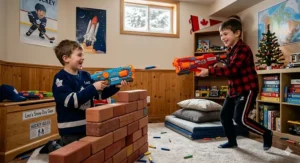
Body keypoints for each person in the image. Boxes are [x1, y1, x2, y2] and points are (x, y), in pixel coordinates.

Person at [39, 39, 128, 154]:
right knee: (73, 155)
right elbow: (71, 101)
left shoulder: (86, 75)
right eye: (79, 55)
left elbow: (100, 94)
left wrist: (116, 86)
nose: (83, 58)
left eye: (83, 55)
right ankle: (54, 145)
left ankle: (60, 144)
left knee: (90, 152)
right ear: (66, 58)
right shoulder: (60, 79)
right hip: (70, 130)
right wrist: (93, 87)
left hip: (88, 126)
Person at [196, 18, 273, 150]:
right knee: (224, 116)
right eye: (221, 35)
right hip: (234, 89)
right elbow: (229, 66)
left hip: (247, 89)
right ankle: (232, 141)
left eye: (225, 34)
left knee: (240, 119)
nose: (222, 38)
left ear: (237, 33)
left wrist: (209, 72)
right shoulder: (230, 50)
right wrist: (218, 65)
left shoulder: (243, 49)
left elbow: (233, 70)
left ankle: (266, 133)